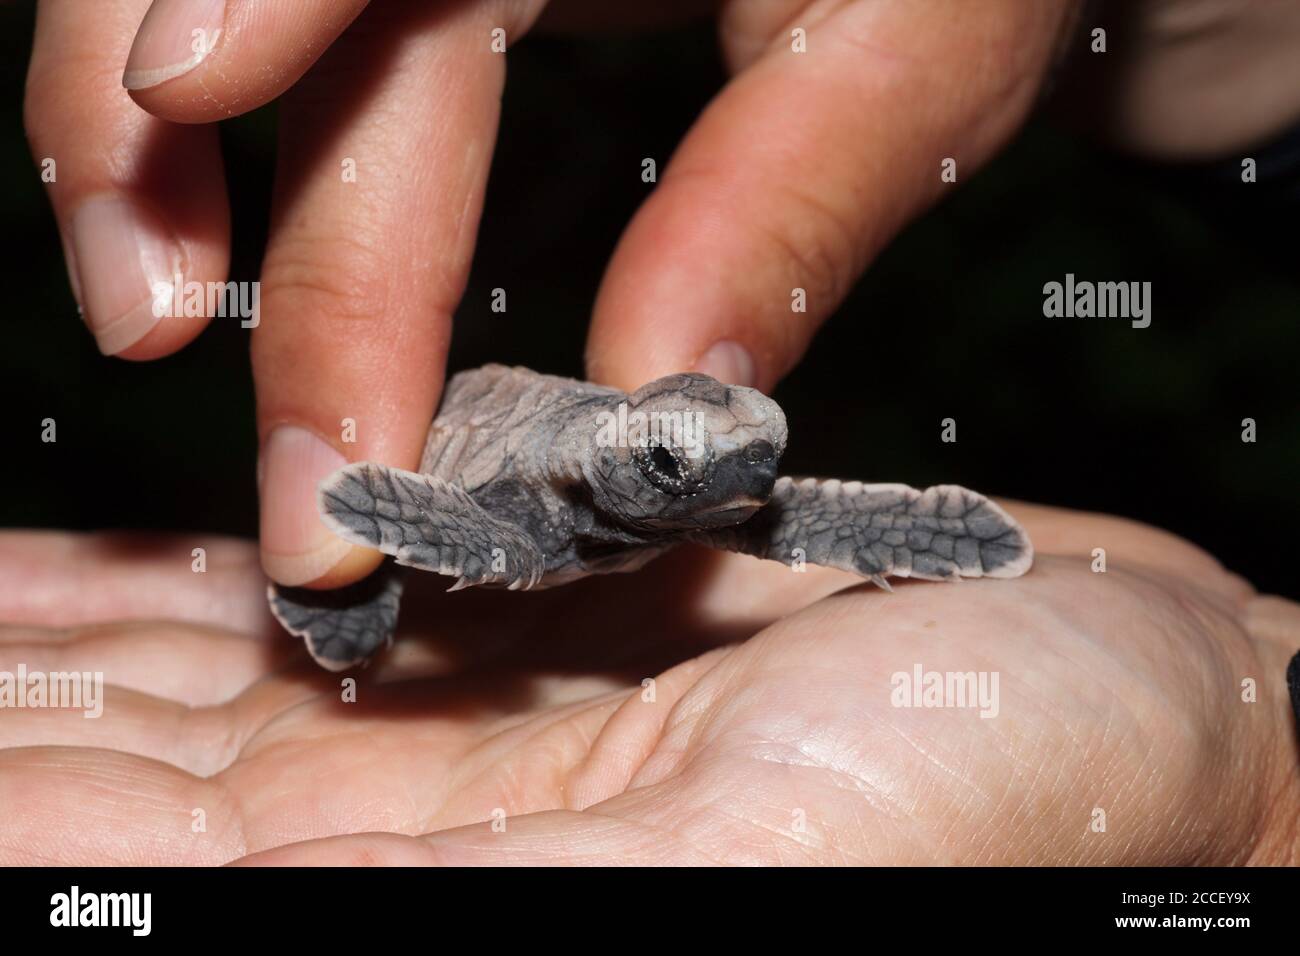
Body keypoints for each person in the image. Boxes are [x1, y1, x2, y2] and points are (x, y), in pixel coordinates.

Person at [12, 0, 1298, 863]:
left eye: (757, 460)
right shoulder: (544, 505)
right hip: (486, 452)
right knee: (364, 583)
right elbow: (378, 500)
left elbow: (763, 495)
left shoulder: (730, 491)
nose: (742, 487)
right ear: (624, 465)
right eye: (693, 466)